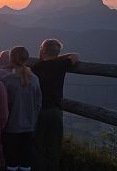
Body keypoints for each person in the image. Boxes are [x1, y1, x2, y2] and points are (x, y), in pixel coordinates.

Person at [32, 39, 79, 171]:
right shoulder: (61, 64)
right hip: (55, 111)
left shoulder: (36, 68)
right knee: (54, 147)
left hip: (40, 111)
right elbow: (75, 56)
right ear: (57, 53)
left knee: (38, 147)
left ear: (42, 50)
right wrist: (58, 57)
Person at [1, 46, 42, 171]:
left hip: (10, 128)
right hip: (29, 127)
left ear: (11, 60)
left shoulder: (7, 81)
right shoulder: (34, 79)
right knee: (25, 162)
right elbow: (38, 104)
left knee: (11, 162)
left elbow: (3, 105)